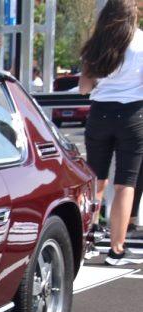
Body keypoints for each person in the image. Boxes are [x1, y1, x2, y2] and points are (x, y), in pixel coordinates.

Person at [79, 0, 143, 265]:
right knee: (125, 184)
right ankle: (116, 250)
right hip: (133, 115)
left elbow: (84, 88)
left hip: (100, 114)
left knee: (97, 180)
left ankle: (88, 241)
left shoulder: (96, 45)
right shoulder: (141, 42)